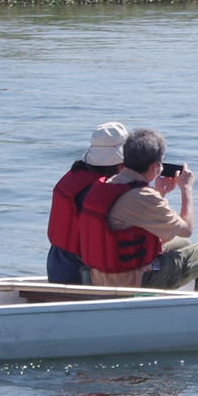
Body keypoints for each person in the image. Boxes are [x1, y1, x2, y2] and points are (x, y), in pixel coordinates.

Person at [67, 128, 198, 292]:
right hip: (131, 282)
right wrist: (186, 189)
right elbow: (187, 229)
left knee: (182, 244)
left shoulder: (109, 184)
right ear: (155, 166)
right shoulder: (143, 196)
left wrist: (160, 193)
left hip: (98, 276)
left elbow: (136, 223)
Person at [45, 122, 126, 285]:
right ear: (120, 162)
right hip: (82, 275)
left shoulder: (74, 177)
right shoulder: (101, 192)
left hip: (57, 267)